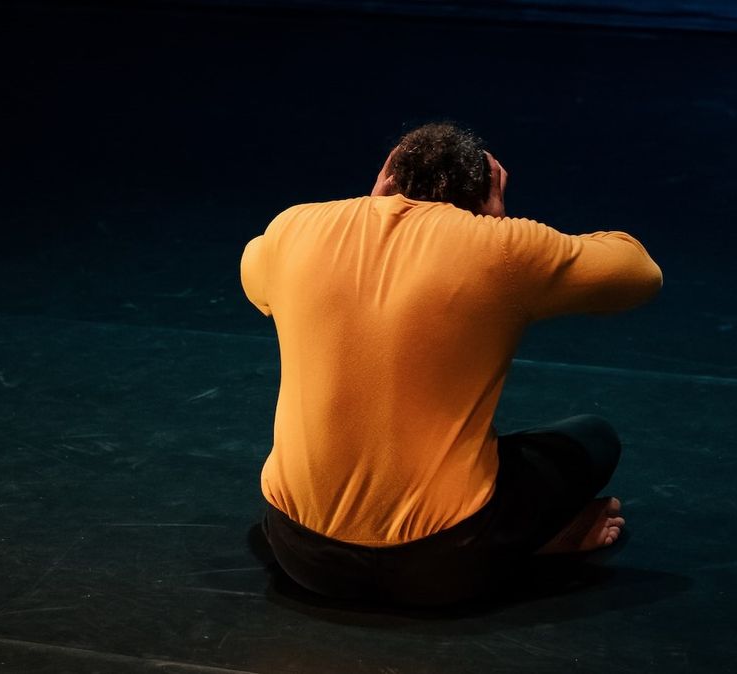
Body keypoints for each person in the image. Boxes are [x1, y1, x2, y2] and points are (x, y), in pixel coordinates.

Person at [240, 122, 662, 606]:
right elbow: (640, 273)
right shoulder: (501, 248)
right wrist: (495, 225)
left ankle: (518, 542)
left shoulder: (294, 228)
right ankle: (531, 541)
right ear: (487, 192)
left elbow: (254, 277)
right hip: (444, 566)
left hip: (299, 554)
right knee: (592, 437)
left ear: (387, 176)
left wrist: (368, 218)